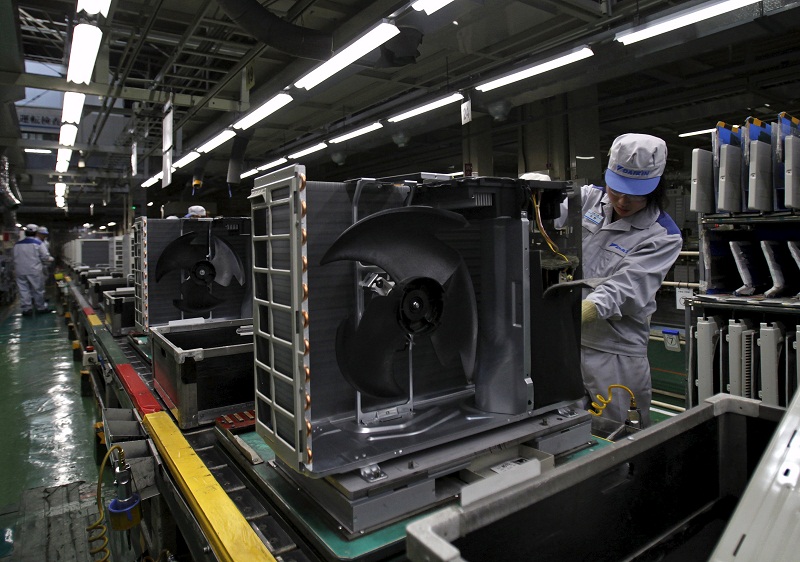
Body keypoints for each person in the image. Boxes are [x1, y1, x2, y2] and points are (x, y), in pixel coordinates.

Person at [578, 133, 682, 427]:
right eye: (616, 190)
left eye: (635, 193)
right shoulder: (588, 199)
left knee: (617, 433)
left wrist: (588, 308)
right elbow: (546, 209)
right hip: (571, 340)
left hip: (616, 351)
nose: (623, 201)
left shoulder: (662, 235)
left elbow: (627, 287)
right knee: (565, 426)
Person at [13, 224, 54, 315]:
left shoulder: (17, 244)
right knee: (37, 289)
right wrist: (51, 259)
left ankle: (26, 309)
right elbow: (45, 257)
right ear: (36, 233)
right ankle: (40, 307)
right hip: (34, 270)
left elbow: (14, 257)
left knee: (23, 290)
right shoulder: (38, 243)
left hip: (20, 271)